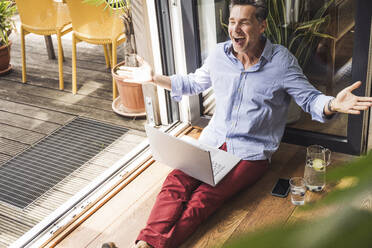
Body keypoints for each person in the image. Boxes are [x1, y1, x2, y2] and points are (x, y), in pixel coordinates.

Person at [115, 0, 372, 247]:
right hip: (212, 141)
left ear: (262, 26)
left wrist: (332, 104)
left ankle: (146, 246)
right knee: (175, 182)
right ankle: (144, 244)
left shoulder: (282, 62)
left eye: (244, 23)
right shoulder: (219, 55)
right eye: (231, 21)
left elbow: (310, 99)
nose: (235, 29)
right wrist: (152, 78)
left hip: (250, 154)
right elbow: (193, 83)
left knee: (204, 197)